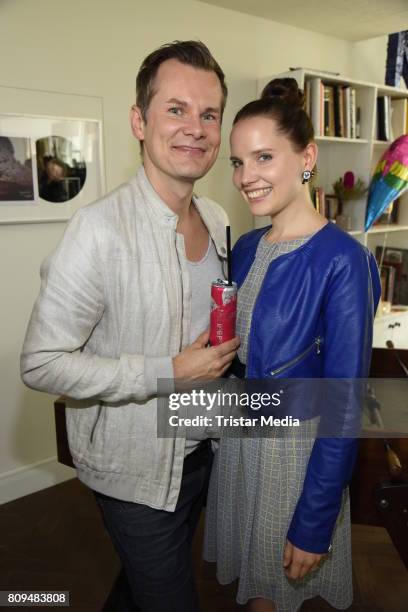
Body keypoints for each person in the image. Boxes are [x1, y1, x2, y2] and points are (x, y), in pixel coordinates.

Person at [21, 40, 240, 612]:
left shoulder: (217, 220)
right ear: (139, 121)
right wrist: (168, 371)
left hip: (202, 452)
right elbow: (41, 363)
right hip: (134, 470)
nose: (195, 128)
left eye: (208, 114)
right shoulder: (96, 230)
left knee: (143, 587)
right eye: (175, 109)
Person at [203, 78, 381, 612]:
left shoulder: (343, 261)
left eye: (263, 157)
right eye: (237, 162)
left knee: (270, 597)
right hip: (241, 444)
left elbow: (346, 404)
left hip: (295, 456)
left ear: (306, 157)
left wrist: (315, 517)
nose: (245, 177)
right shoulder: (248, 245)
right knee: (250, 591)